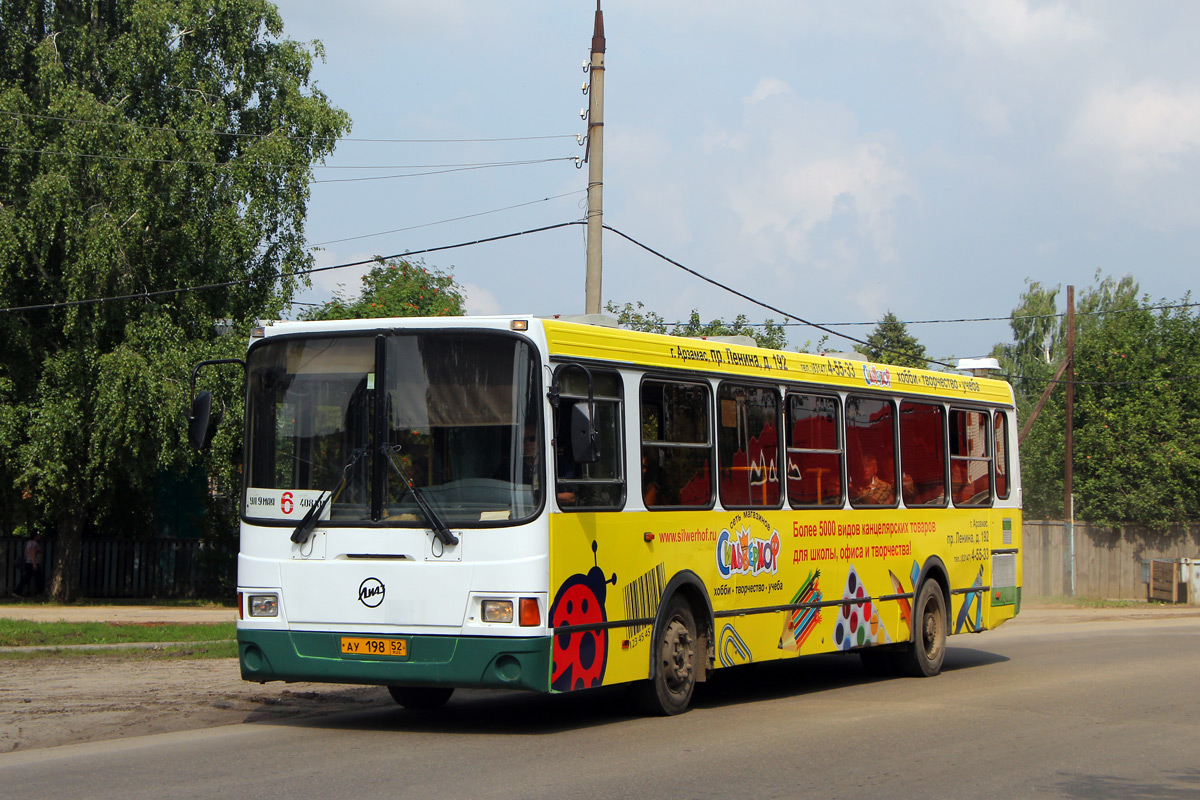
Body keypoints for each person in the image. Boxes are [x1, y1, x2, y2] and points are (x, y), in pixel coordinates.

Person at [15, 533, 44, 597]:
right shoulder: (34, 544)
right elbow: (33, 554)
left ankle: (17, 591)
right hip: (33, 563)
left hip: (28, 562)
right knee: (38, 578)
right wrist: (34, 563)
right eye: (38, 535)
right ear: (35, 536)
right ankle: (41, 592)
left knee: (26, 578)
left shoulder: (28, 543)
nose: (40, 536)